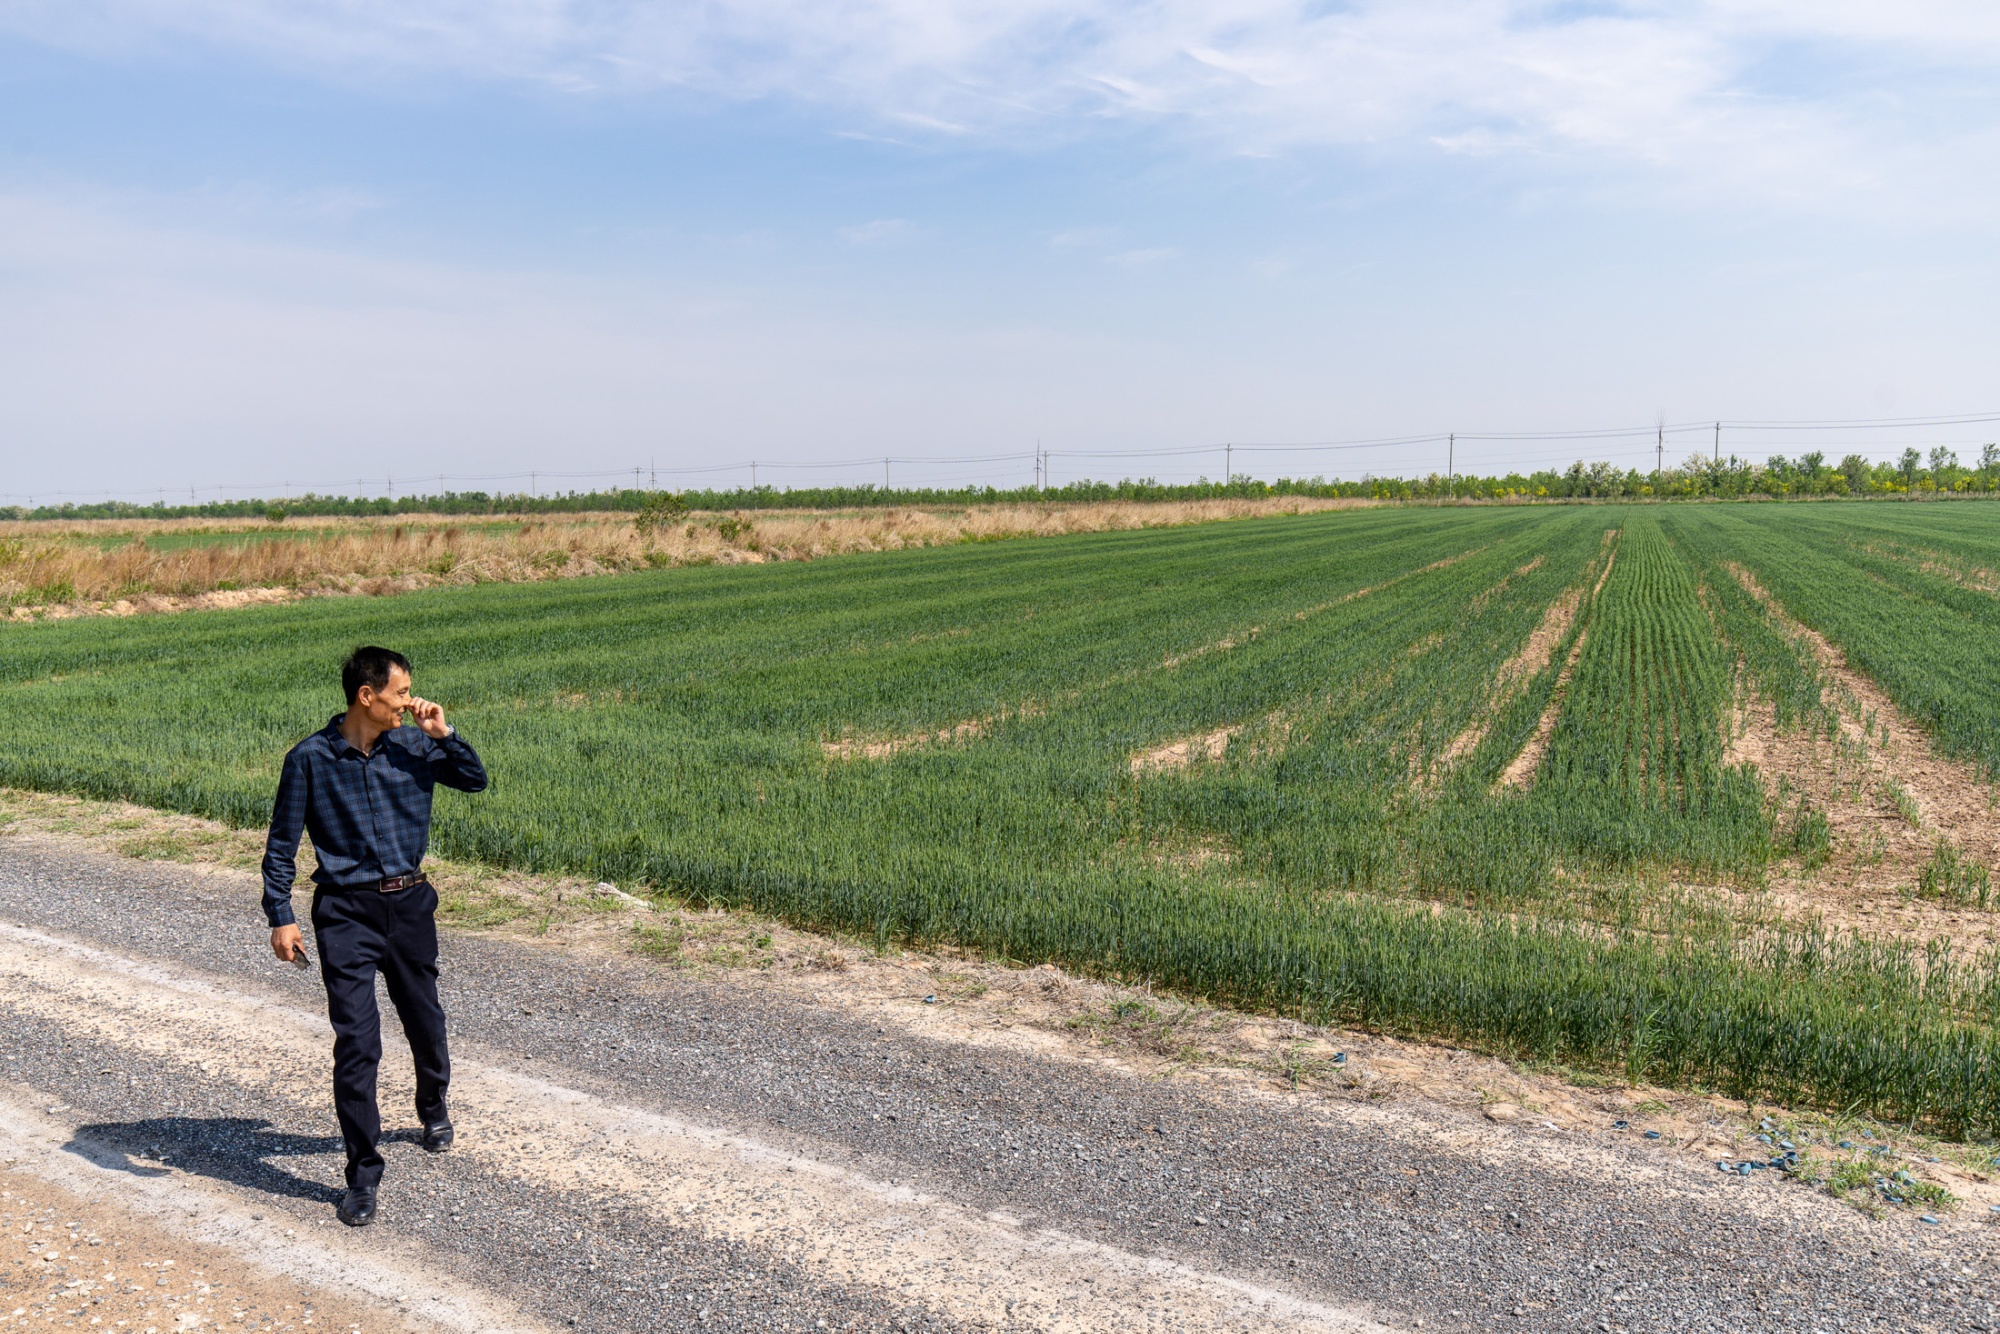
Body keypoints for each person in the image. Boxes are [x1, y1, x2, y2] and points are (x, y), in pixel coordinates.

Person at [262, 645, 489, 1227]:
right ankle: (362, 1175)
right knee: (358, 1046)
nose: (410, 701)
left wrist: (445, 733)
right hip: (345, 914)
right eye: (402, 693)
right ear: (368, 696)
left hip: (410, 904)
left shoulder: (416, 744)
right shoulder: (309, 759)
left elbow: (475, 780)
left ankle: (432, 1103)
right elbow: (282, 845)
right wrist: (280, 915)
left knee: (425, 1020)